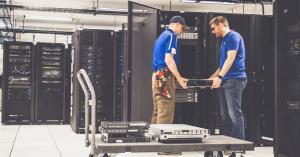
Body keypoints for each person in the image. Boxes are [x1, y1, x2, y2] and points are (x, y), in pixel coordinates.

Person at [208, 16, 247, 149]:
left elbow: (230, 59)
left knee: (234, 114)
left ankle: (240, 146)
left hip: (235, 80)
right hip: (226, 80)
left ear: (220, 24)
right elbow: (222, 65)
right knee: (225, 116)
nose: (213, 32)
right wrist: (209, 80)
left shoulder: (233, 37)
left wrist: (218, 78)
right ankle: (228, 146)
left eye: (213, 28)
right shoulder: (225, 40)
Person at [151, 16, 188, 125]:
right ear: (177, 24)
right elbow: (169, 59)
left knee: (158, 109)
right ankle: (161, 140)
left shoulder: (161, 37)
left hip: (157, 75)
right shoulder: (172, 36)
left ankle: (153, 139)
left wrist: (177, 77)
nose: (181, 32)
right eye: (182, 28)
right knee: (166, 110)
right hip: (164, 75)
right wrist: (179, 79)